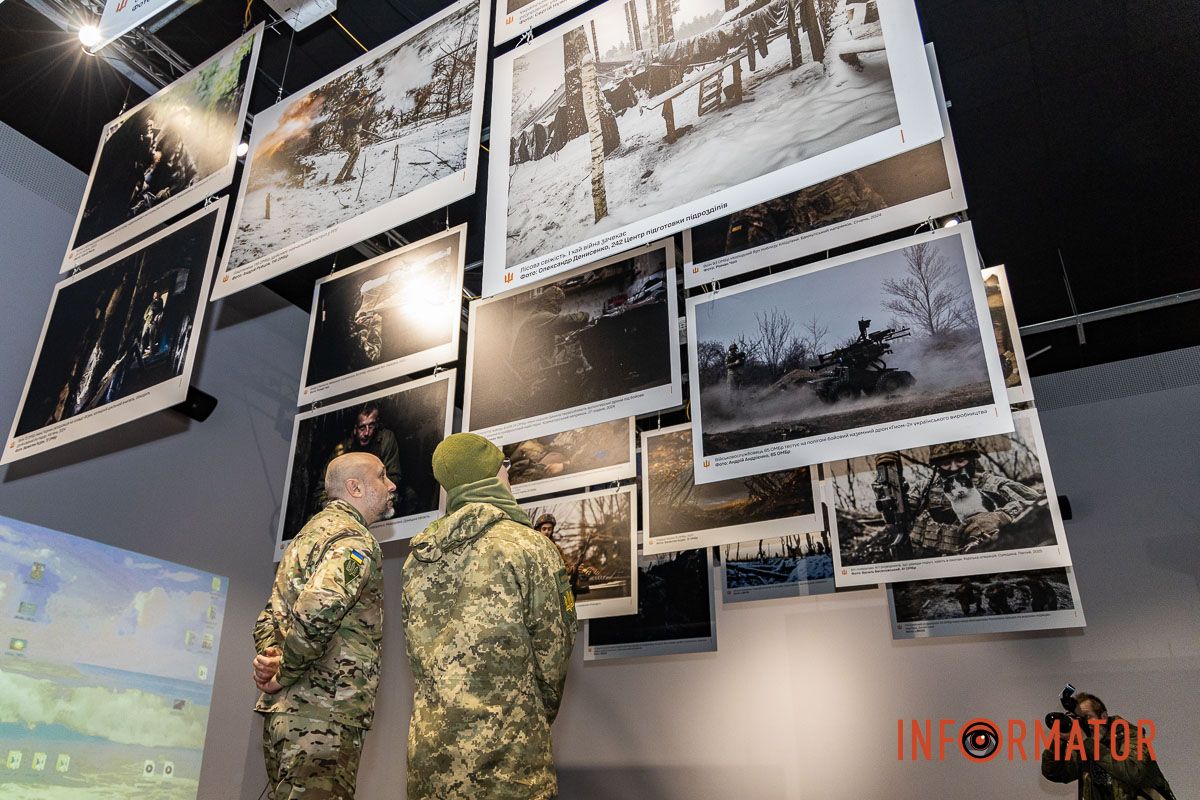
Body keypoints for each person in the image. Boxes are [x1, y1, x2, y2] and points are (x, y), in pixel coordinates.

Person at [402, 432, 577, 800]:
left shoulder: (417, 558)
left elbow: (418, 658)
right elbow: (554, 652)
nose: (509, 474)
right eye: (506, 465)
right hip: (509, 762)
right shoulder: (530, 547)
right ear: (494, 473)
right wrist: (528, 716)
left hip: (432, 762)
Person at [251, 452, 394, 800]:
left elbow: (269, 615)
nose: (391, 485)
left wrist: (272, 657)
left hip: (290, 716)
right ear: (355, 487)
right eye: (382, 476)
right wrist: (283, 671)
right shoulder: (353, 539)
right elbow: (318, 608)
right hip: (323, 716)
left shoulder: (305, 538)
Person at [907, 439, 1041, 555]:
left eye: (960, 460)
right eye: (946, 462)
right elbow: (898, 516)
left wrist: (1002, 516)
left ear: (971, 459)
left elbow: (1038, 503)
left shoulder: (994, 484)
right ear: (937, 465)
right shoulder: (922, 488)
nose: (953, 468)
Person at [1041, 692, 1177, 800]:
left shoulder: (1130, 736)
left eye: (1087, 717)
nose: (1084, 724)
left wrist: (1087, 743)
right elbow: (1055, 773)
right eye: (1079, 719)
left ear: (1103, 716)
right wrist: (1058, 740)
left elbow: (1135, 773)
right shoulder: (1084, 745)